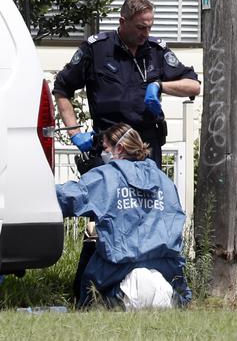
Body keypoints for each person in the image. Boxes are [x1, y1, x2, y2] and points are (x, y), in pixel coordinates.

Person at [53, 0, 201, 169]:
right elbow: (62, 88)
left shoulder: (155, 51)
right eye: (140, 28)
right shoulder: (96, 49)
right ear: (123, 22)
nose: (146, 33)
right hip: (110, 145)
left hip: (146, 146)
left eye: (149, 27)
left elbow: (194, 86)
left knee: (149, 194)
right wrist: (74, 132)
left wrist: (159, 86)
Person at [56, 123, 191, 309]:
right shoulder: (164, 181)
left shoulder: (105, 177)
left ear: (119, 148)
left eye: (104, 148)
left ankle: (87, 304)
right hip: (166, 283)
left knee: (91, 234)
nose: (103, 154)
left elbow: (65, 198)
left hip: (120, 282)